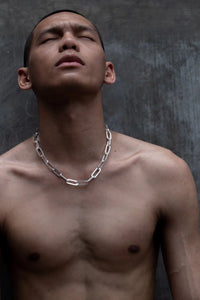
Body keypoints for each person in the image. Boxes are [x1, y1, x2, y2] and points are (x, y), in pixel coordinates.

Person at [0, 9, 200, 300]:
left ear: (108, 71)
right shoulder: (4, 183)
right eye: (49, 39)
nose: (69, 42)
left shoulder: (163, 173)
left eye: (84, 36)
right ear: (25, 78)